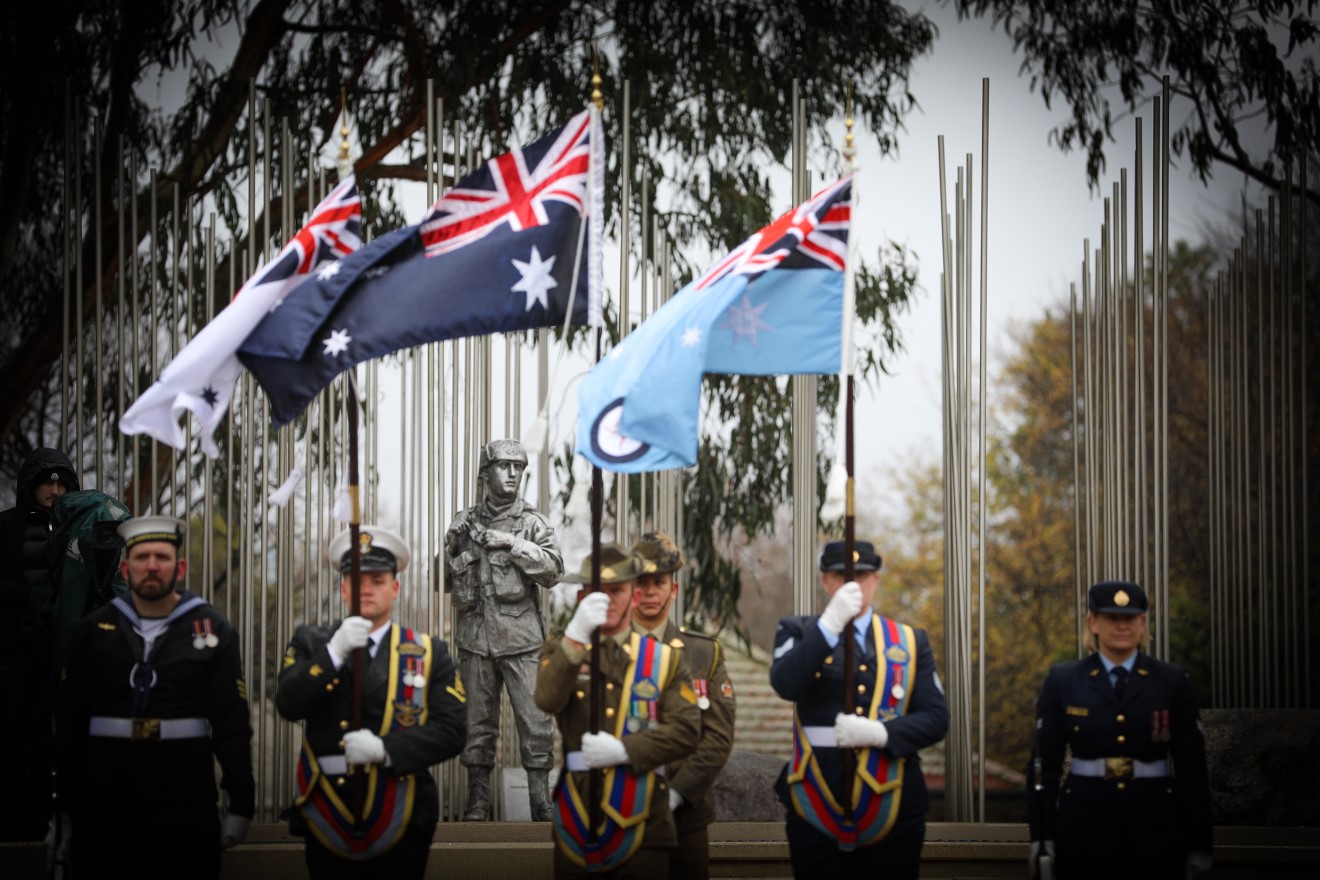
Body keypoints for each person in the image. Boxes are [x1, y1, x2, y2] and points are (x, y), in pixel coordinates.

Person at [52, 515, 255, 878]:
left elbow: (232, 723)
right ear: (126, 569)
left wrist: (241, 803)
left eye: (161, 558)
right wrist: (64, 809)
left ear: (179, 567)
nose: (151, 566)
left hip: (184, 798)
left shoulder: (211, 628)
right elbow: (69, 725)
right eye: (142, 558)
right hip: (103, 800)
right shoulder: (92, 632)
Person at [277, 525, 467, 878]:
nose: (366, 588)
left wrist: (385, 749)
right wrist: (333, 654)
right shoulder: (311, 641)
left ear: (394, 588)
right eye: (356, 579)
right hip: (327, 808)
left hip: (403, 809)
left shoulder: (429, 652)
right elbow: (288, 703)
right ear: (343, 587)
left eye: (377, 579)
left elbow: (453, 731)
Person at [770, 539, 949, 879]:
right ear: (825, 581)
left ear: (876, 580)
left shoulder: (909, 642)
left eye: (862, 575)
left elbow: (937, 718)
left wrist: (883, 733)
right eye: (840, 576)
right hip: (817, 792)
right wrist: (830, 626)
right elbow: (786, 683)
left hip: (892, 795)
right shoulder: (799, 631)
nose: (852, 584)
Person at [535, 543, 702, 879]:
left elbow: (686, 732)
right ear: (583, 598)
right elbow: (547, 700)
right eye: (597, 592)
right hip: (577, 816)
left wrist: (626, 750)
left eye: (616, 590)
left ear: (635, 597)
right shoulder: (562, 651)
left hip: (644, 820)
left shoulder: (664, 660)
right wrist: (576, 636)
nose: (607, 600)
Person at [1027, 580, 1213, 880]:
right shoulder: (1064, 680)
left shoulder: (1171, 681)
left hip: (1155, 822)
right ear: (1093, 622)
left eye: (1130, 618)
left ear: (1142, 623)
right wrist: (1042, 835)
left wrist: (1201, 842)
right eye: (1112, 618)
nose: (1121, 626)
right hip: (1084, 822)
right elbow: (1042, 766)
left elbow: (1193, 767)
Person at [445, 438, 563, 821]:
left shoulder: (532, 522)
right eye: (504, 466)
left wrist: (512, 543)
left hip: (521, 640)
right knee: (476, 723)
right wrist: (449, 543)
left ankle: (540, 801)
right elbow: (440, 580)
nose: (513, 474)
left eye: (519, 468)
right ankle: (477, 801)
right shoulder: (464, 522)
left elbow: (554, 570)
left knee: (535, 722)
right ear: (486, 473)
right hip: (475, 640)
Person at [630, 531, 735, 880]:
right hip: (619, 810)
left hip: (685, 818)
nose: (648, 591)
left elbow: (717, 738)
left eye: (658, 582)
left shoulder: (704, 653)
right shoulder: (605, 650)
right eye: (640, 582)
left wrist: (676, 794)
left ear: (673, 590)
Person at [0, 447, 80, 841]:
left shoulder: (79, 529)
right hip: (17, 656)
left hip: (63, 657)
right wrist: (25, 595)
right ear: (30, 485)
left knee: (61, 743)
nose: (54, 488)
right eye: (46, 481)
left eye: (61, 481)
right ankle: (18, 826)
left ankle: (61, 826)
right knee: (16, 738)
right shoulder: (6, 527)